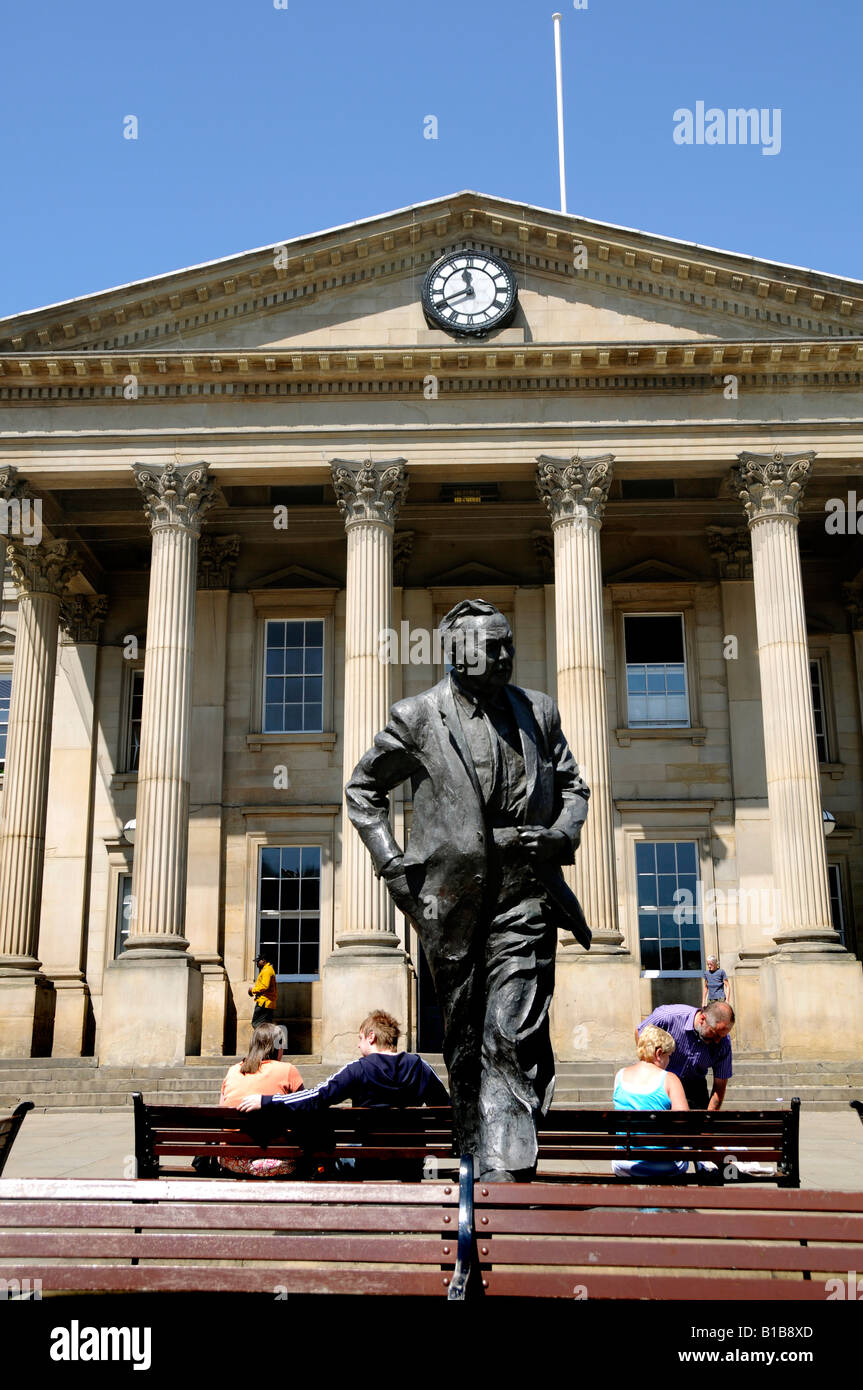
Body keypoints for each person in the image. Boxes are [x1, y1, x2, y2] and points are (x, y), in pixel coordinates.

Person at [344, 598, 591, 1183]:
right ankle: (475, 1153)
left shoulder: (539, 711)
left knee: (510, 1026)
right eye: (492, 646)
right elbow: (362, 791)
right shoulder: (418, 716)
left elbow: (575, 786)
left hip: (524, 890)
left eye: (508, 643)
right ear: (456, 653)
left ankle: (507, 1168)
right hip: (448, 900)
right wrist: (396, 869)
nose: (506, 655)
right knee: (463, 1034)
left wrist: (560, 835)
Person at [216, 1020, 304, 1176]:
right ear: (277, 1047)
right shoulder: (288, 1070)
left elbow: (222, 1114)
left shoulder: (233, 1071)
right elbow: (304, 1111)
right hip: (278, 1161)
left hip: (234, 1160)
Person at [612, 1025, 689, 1178]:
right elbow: (685, 1123)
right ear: (659, 1053)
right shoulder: (670, 1079)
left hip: (624, 1164)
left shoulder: (620, 1076)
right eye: (669, 1055)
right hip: (664, 1165)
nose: (669, 1060)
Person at [635, 1000, 734, 1110]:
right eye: (715, 1034)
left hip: (695, 1089)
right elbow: (640, 1033)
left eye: (722, 1036)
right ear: (702, 1019)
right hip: (661, 1084)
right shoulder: (668, 1016)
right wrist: (650, 1068)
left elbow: (719, 1087)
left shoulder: (723, 1043)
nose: (717, 1041)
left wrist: (708, 1118)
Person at [248, 954, 278, 1028]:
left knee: (256, 1024)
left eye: (258, 961)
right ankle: (268, 1039)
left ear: (264, 961)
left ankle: (263, 1039)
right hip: (267, 1002)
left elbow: (264, 986)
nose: (257, 963)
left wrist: (252, 990)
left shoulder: (267, 970)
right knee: (266, 1025)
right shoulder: (267, 969)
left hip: (264, 1002)